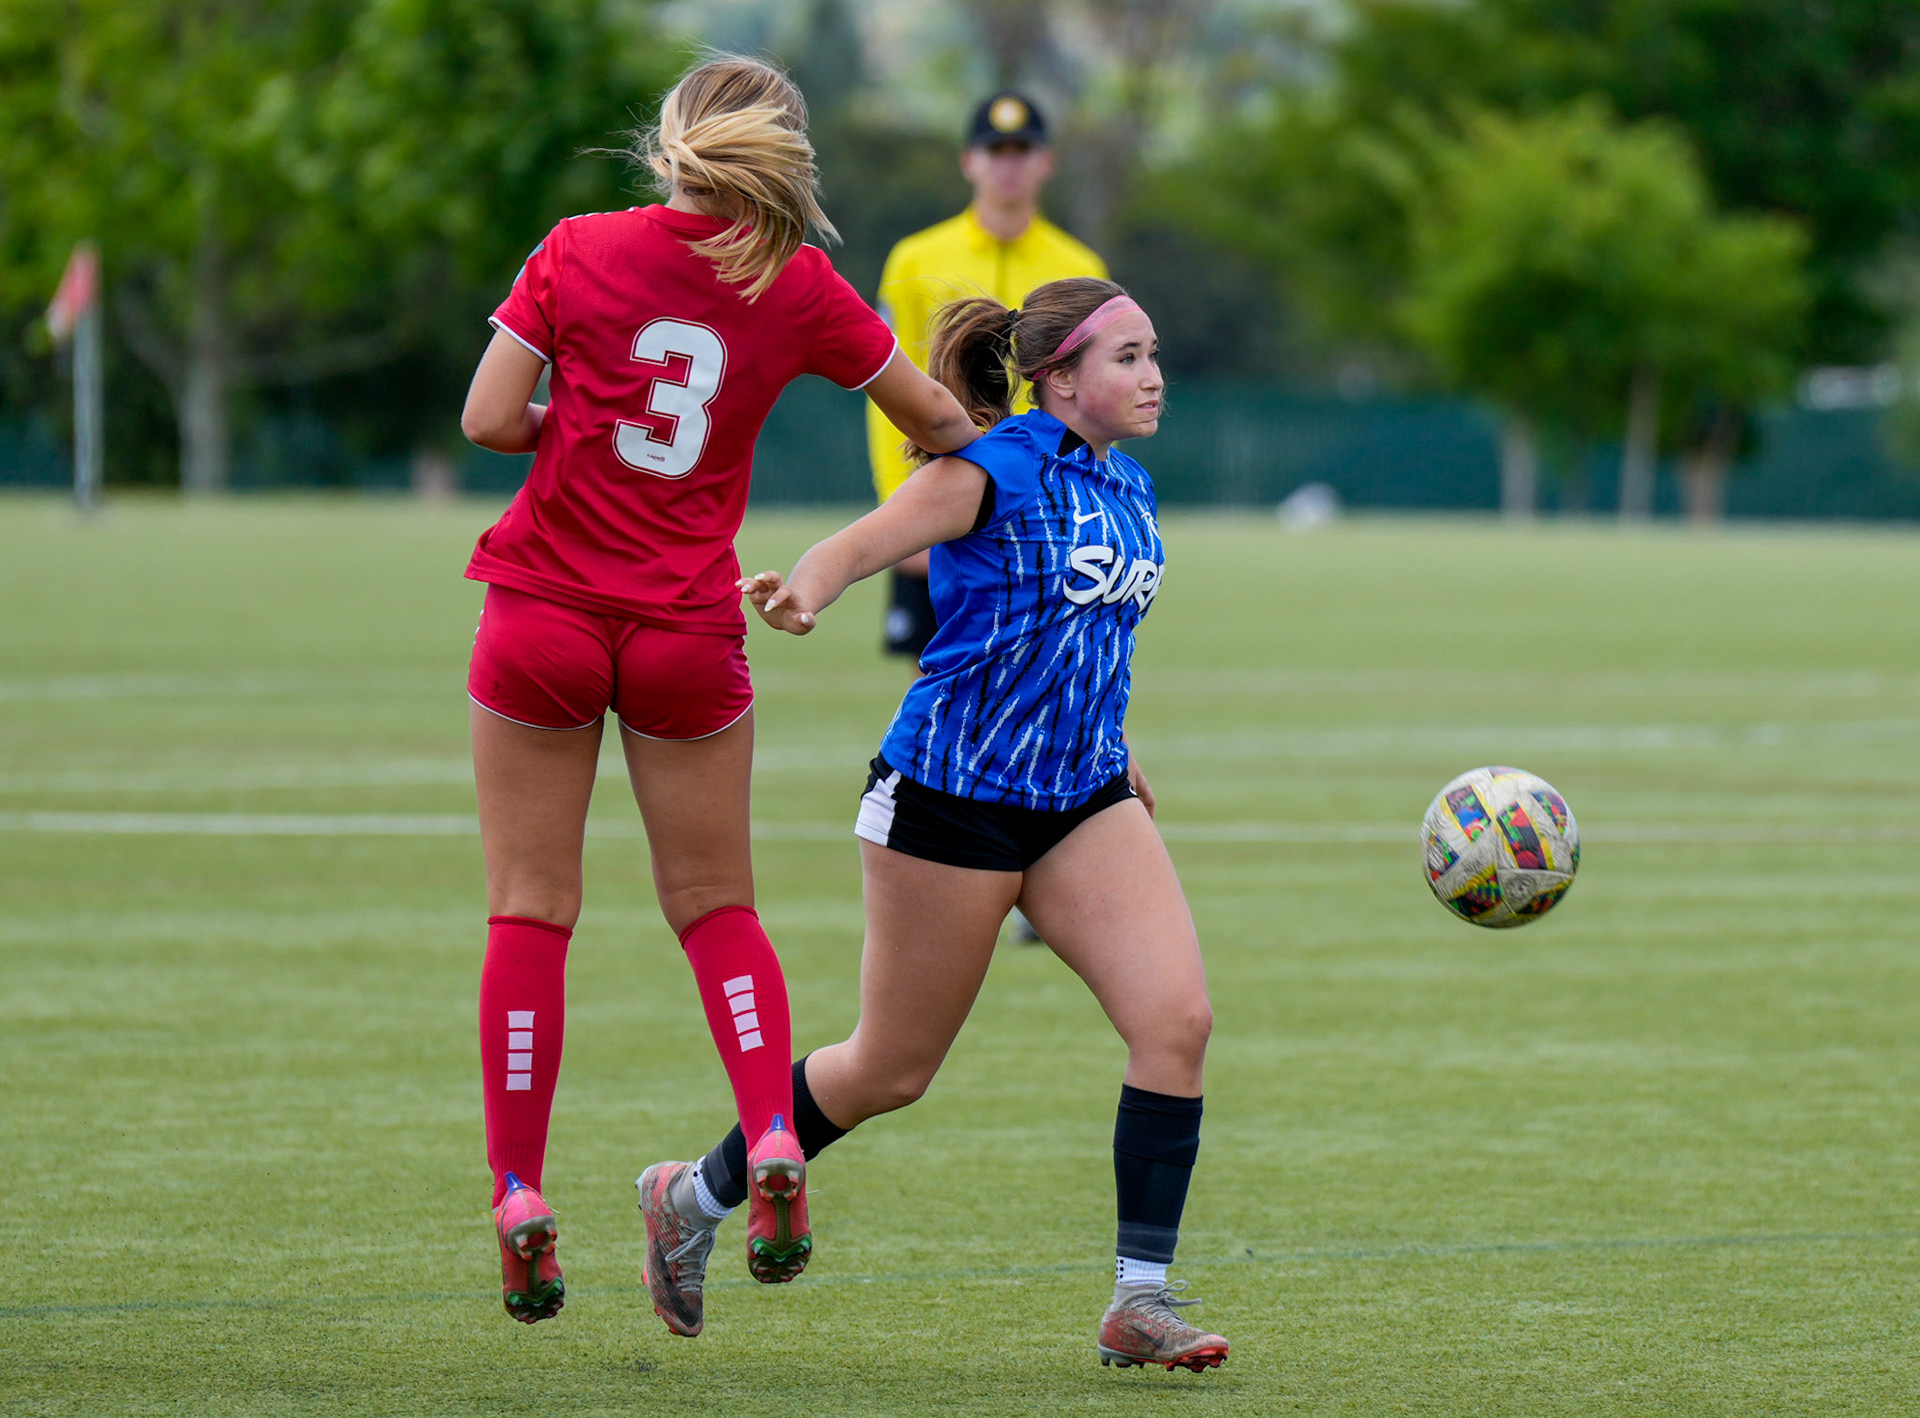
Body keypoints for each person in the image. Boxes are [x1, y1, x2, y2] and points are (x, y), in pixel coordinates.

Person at [457, 54, 977, 1326]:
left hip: (542, 613)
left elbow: (487, 419)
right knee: (715, 906)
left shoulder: (577, 246)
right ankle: (770, 1132)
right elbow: (937, 421)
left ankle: (519, 1191)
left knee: (532, 909)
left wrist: (572, 424)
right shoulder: (792, 280)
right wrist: (978, 448)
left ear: (672, 140)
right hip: (687, 629)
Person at [637, 277, 1231, 1371]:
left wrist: (1113, 741)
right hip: (950, 799)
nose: (1155, 377)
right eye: (1129, 358)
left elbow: (1083, 631)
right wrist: (803, 594)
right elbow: (859, 546)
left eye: (1154, 355)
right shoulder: (991, 468)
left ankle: (1140, 1299)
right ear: (1058, 379)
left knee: (1177, 1022)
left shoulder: (1129, 484)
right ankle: (691, 1197)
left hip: (1083, 796)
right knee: (890, 1068)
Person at [865, 90, 1107, 666]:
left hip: (1041, 504)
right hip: (937, 487)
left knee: (1040, 668)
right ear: (968, 161)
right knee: (935, 676)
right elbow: (885, 390)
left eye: (1022, 151)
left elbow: (1094, 399)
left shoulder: (1081, 268)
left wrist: (1087, 502)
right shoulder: (914, 259)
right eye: (995, 151)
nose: (1008, 165)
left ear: (1045, 162)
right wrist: (899, 507)